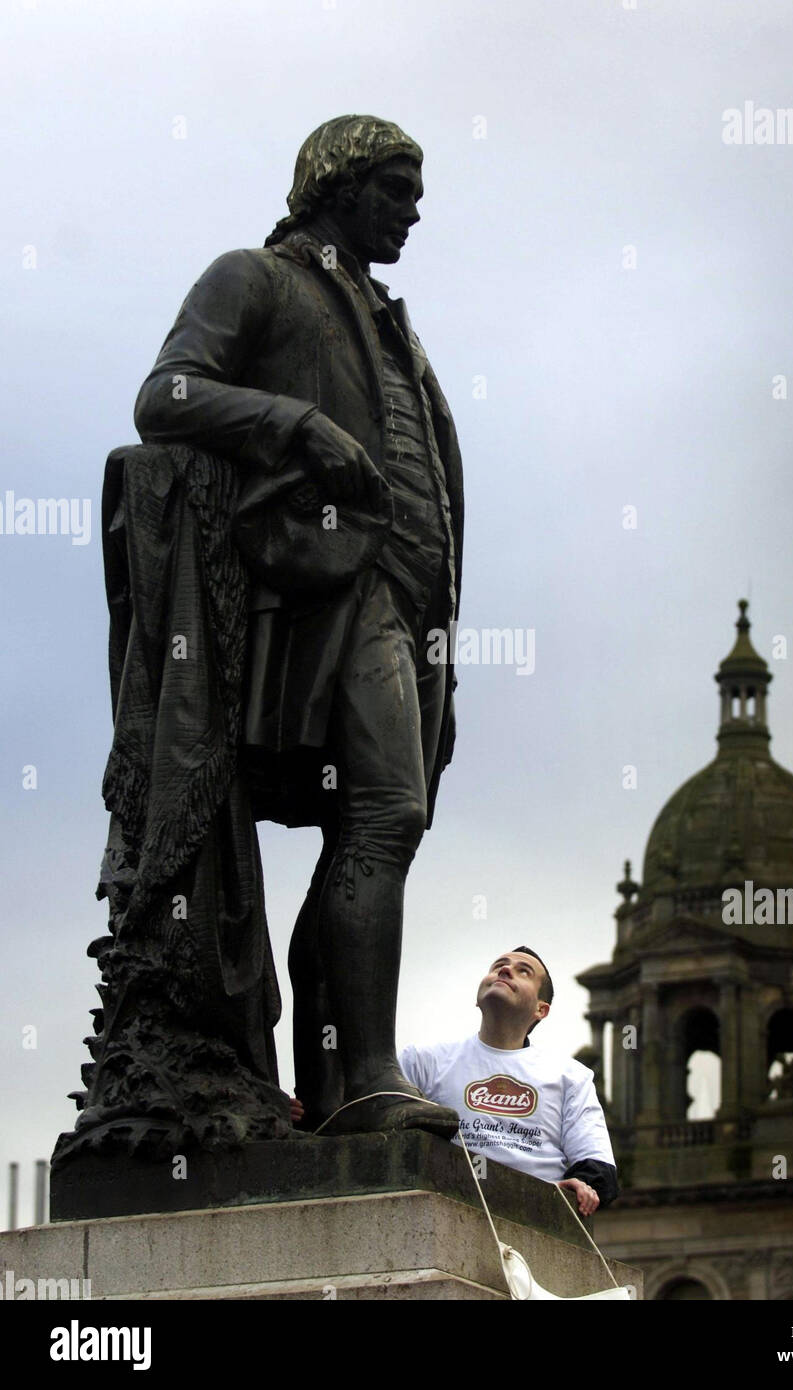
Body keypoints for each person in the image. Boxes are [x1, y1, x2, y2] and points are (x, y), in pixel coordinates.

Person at [125, 115, 463, 1141]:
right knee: (384, 816)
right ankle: (361, 1077)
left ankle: (340, 1087)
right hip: (322, 588)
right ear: (337, 182)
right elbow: (165, 394)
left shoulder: (397, 326)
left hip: (411, 606)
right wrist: (298, 425)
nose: (413, 210)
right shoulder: (256, 279)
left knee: (377, 825)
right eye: (396, 188)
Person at [401, 948, 618, 1215]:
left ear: (541, 1009)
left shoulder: (572, 1077)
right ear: (477, 998)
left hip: (537, 1217)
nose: (505, 970)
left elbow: (599, 1170)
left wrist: (580, 1187)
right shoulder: (420, 1061)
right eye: (498, 966)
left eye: (522, 971)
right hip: (445, 1209)